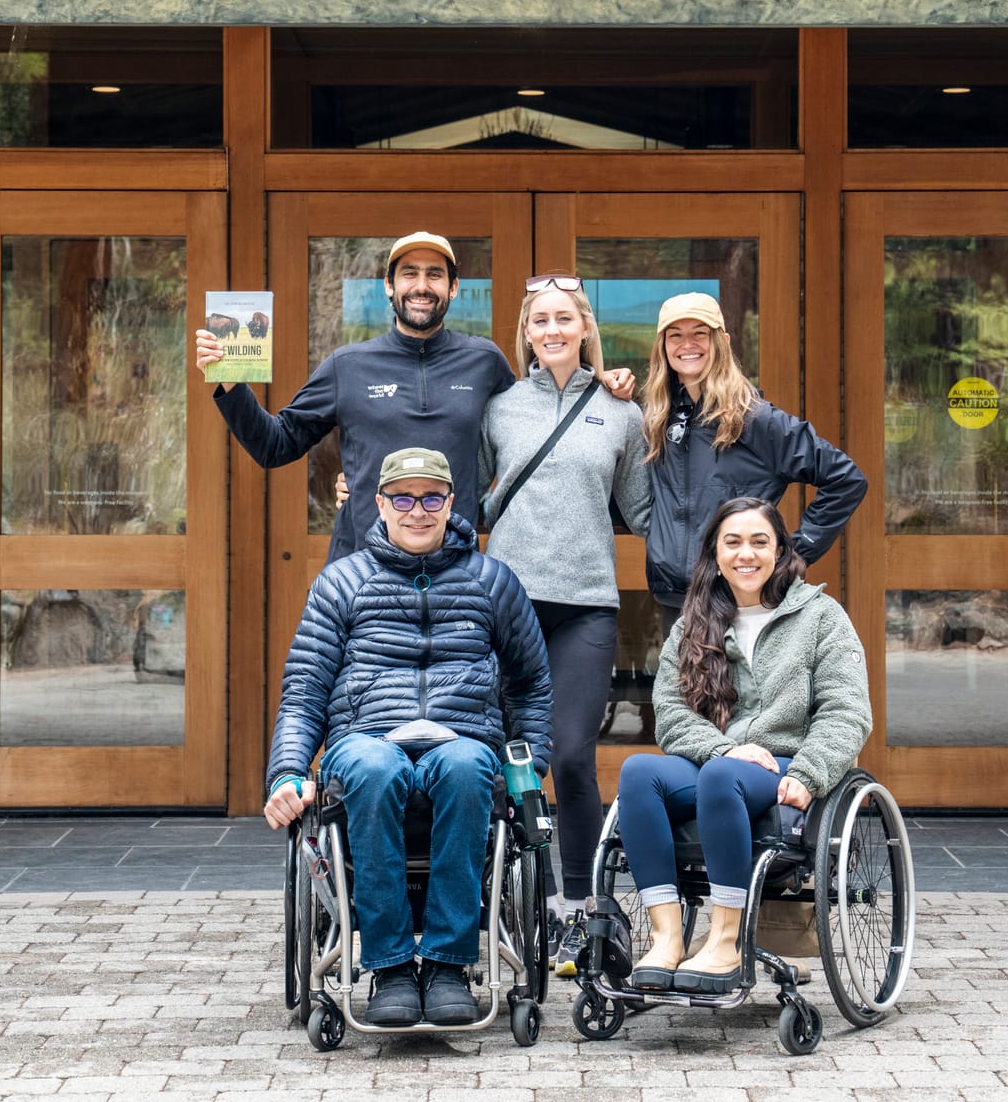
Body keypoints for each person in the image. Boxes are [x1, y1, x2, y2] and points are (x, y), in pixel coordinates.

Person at [261, 447, 552, 1028]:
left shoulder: (492, 581)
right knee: (371, 769)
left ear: (450, 503)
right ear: (381, 504)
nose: (417, 511)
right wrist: (288, 774)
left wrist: (531, 765)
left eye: (430, 498)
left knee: (471, 767)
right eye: (403, 498)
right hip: (366, 738)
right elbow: (304, 692)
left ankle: (447, 965)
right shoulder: (341, 583)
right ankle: (391, 967)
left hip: (462, 740)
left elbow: (531, 683)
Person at [196, 232, 633, 563]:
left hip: (454, 567)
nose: (421, 285)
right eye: (409, 273)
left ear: (453, 287)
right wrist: (230, 383)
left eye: (434, 275)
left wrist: (600, 386)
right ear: (389, 286)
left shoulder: (484, 362)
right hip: (363, 566)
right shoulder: (348, 365)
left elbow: (539, 420)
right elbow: (275, 445)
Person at [615, 496, 873, 994]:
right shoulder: (694, 622)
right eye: (732, 542)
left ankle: (725, 939)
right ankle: (668, 937)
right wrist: (721, 748)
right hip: (719, 762)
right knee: (638, 773)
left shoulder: (820, 617)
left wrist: (810, 771)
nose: (745, 554)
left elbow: (847, 710)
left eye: (759, 541)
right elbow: (670, 713)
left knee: (719, 776)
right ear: (716, 551)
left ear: (780, 551)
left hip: (783, 765)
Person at [477, 272, 651, 978]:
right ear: (526, 331)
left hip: (585, 606)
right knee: (511, 764)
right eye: (539, 319)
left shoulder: (622, 411)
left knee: (573, 757)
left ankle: (576, 910)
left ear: (584, 327)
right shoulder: (498, 409)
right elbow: (470, 499)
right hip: (506, 606)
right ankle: (511, 904)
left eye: (564, 318)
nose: (551, 329)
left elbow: (644, 510)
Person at [642, 291, 867, 629]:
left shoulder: (754, 418)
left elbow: (846, 479)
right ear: (662, 347)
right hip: (675, 600)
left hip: (738, 600)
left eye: (699, 333)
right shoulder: (660, 418)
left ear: (722, 341)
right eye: (676, 335)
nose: (687, 344)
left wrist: (789, 554)